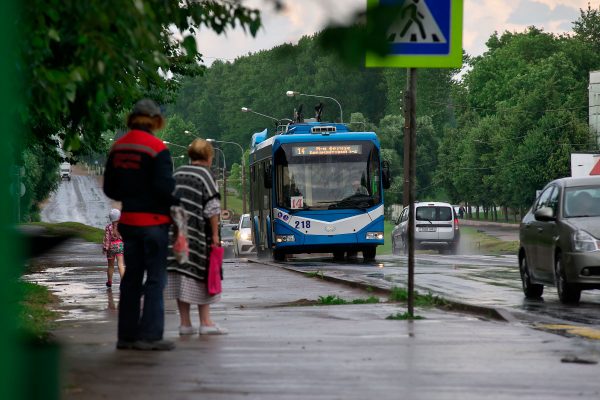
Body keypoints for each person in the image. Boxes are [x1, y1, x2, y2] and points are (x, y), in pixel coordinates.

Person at [103, 99, 179, 351]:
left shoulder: (118, 148)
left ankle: (126, 336)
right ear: (155, 120)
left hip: (129, 224)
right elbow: (165, 188)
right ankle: (150, 336)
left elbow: (109, 188)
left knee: (131, 279)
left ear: (131, 119)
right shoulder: (157, 149)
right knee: (156, 279)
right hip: (154, 224)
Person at [165, 139, 228, 336]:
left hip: (175, 234)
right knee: (202, 275)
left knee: (180, 276)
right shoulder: (207, 175)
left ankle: (185, 324)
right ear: (209, 157)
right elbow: (212, 209)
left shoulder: (177, 174)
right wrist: (216, 236)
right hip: (198, 236)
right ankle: (205, 322)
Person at [102, 208, 125, 288]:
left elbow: (107, 239)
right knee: (121, 265)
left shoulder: (108, 227)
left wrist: (105, 248)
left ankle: (109, 282)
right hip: (120, 246)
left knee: (110, 266)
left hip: (111, 247)